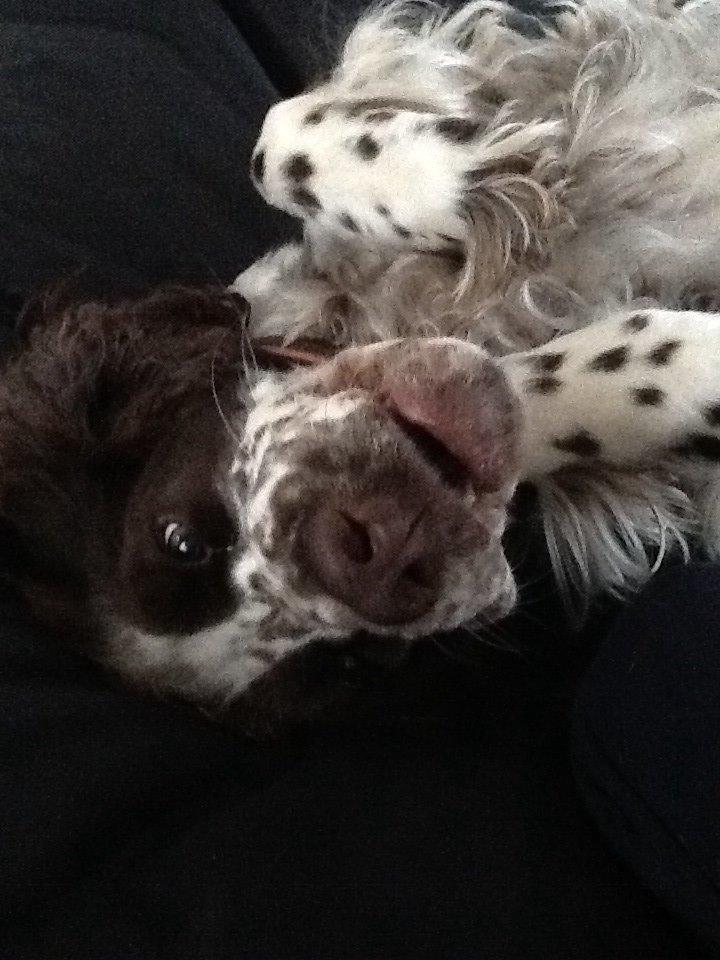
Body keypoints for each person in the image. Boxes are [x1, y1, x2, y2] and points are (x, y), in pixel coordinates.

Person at [0, 1, 716, 957]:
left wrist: (307, 151)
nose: (361, 589)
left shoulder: (293, 240)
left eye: (188, 542)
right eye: (328, 658)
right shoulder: (583, 566)